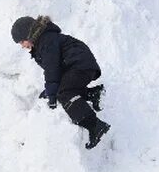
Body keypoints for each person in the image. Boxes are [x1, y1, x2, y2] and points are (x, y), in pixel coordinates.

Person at [11, 15, 111, 149]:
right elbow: (56, 72)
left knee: (65, 93)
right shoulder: (44, 42)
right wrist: (50, 91)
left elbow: (52, 70)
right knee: (63, 89)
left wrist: (52, 96)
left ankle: (95, 126)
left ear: (29, 35)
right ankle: (93, 94)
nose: (23, 46)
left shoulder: (46, 41)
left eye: (22, 41)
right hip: (79, 64)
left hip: (80, 65)